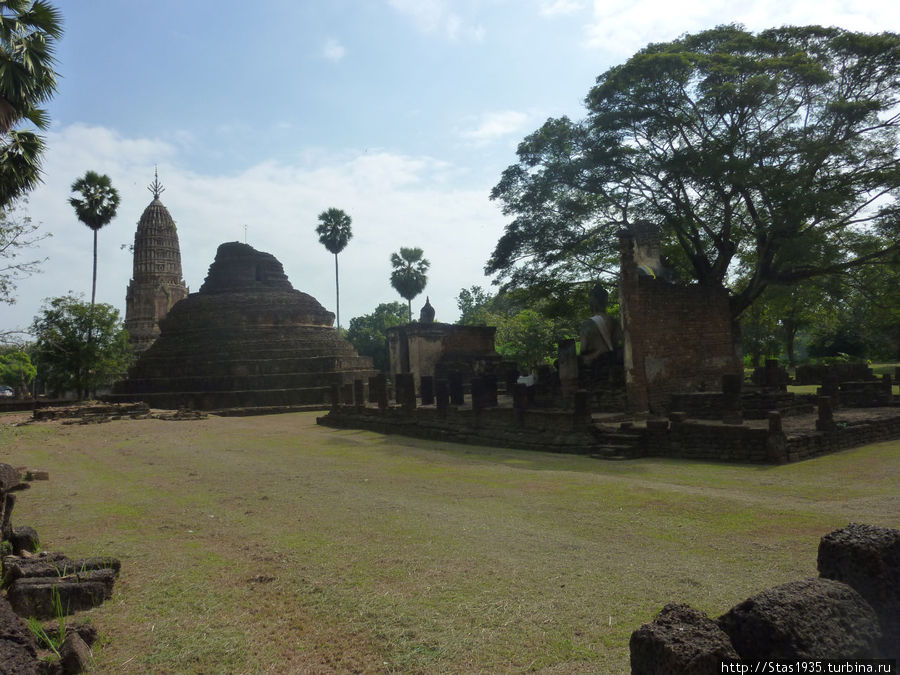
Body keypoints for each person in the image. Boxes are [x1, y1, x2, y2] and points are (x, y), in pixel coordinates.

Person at [579, 283, 621, 369]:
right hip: (612, 363)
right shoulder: (614, 322)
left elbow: (583, 349)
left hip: (594, 366)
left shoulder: (587, 324)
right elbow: (617, 343)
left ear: (592, 302)